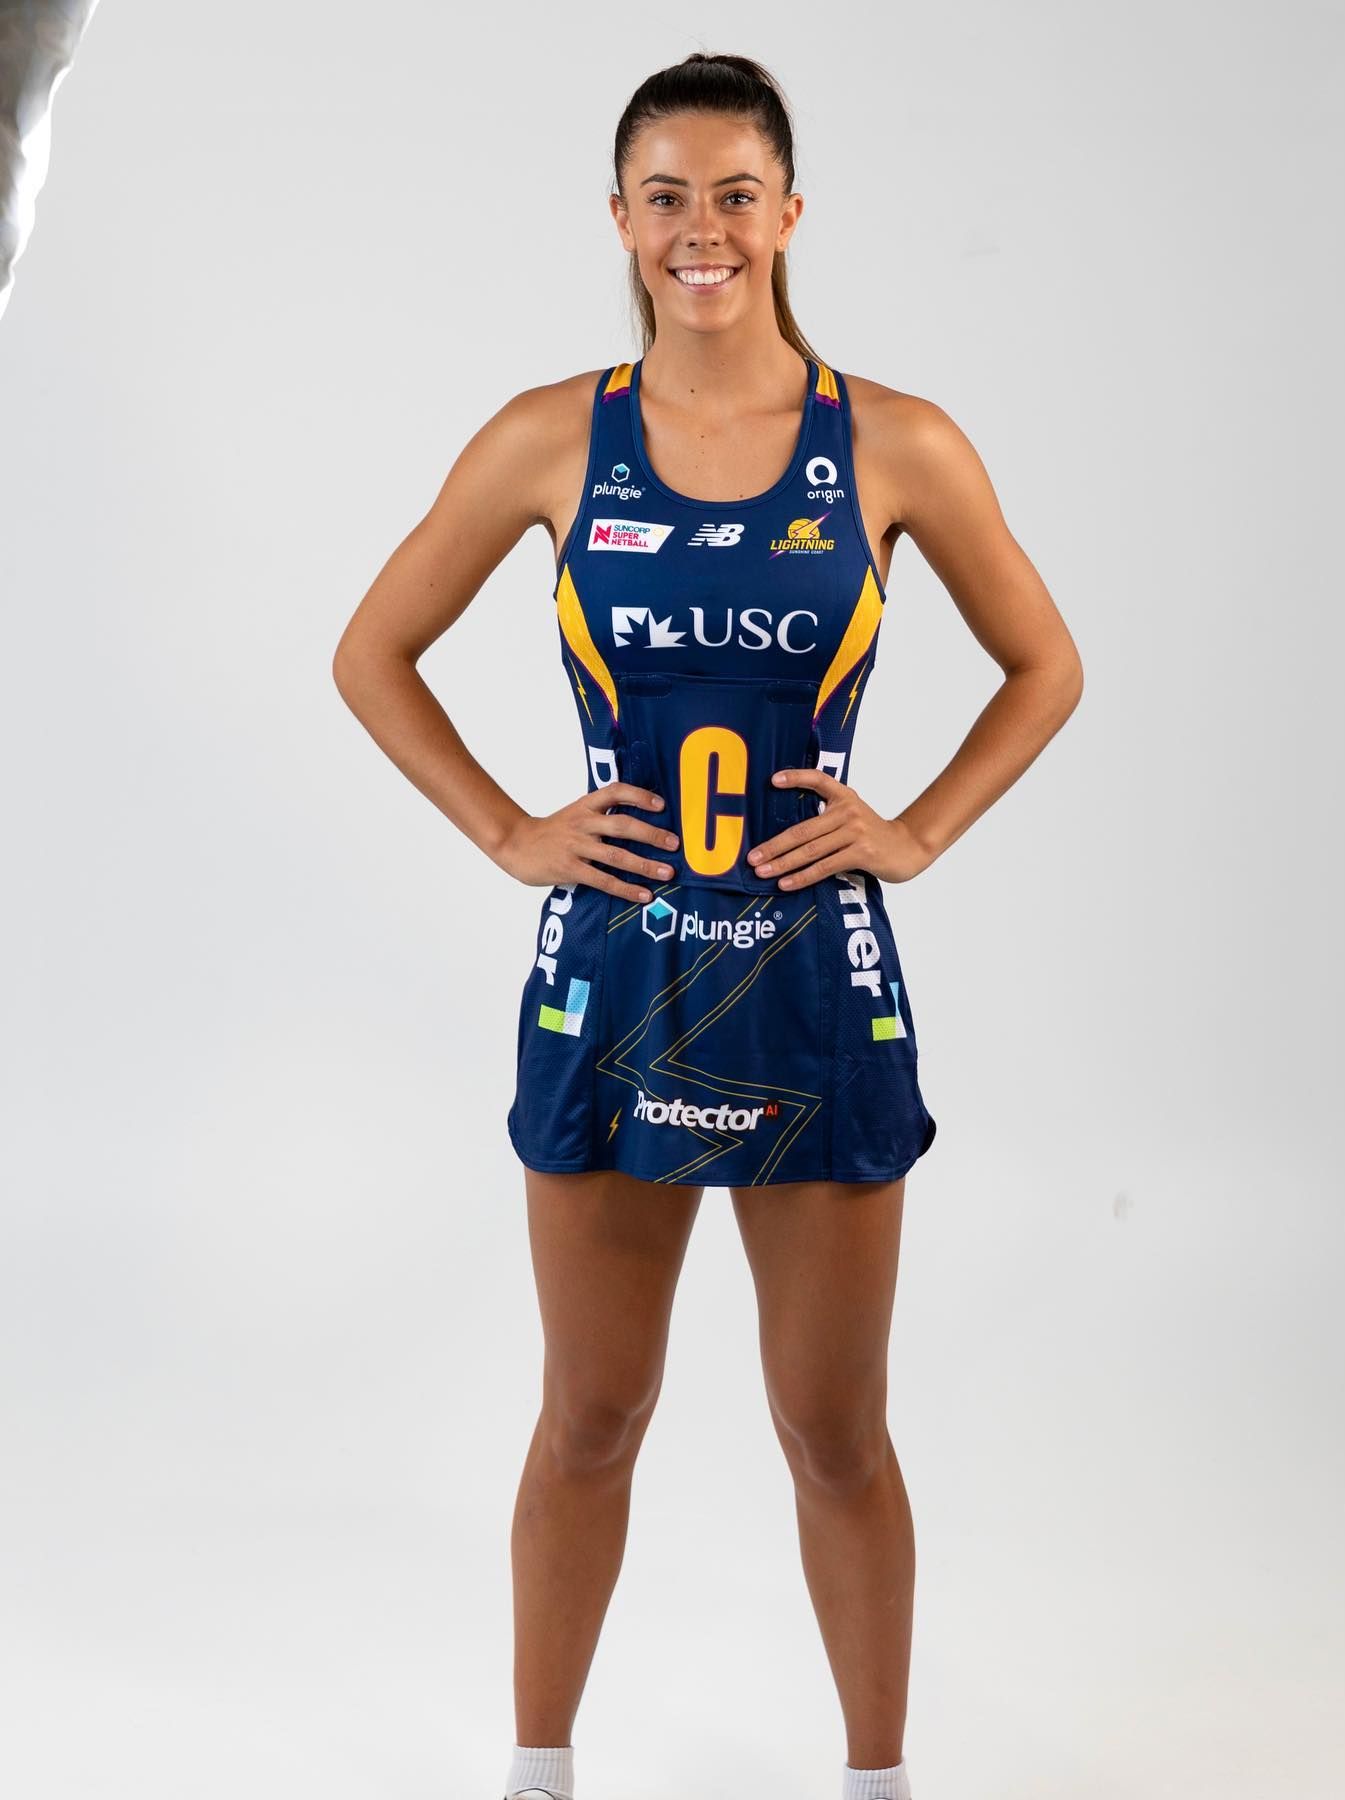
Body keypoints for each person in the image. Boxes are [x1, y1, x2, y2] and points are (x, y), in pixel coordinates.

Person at [332, 49, 1082, 1800]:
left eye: (736, 194)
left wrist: (919, 830)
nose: (702, 230)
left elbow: (1045, 665)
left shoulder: (894, 442)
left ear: (790, 213)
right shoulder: (551, 437)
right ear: (619, 219)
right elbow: (371, 653)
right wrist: (511, 830)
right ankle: (538, 1775)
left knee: (833, 1433)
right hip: (613, 979)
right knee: (592, 1416)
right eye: (666, 196)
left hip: (814, 985)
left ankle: (879, 1781)